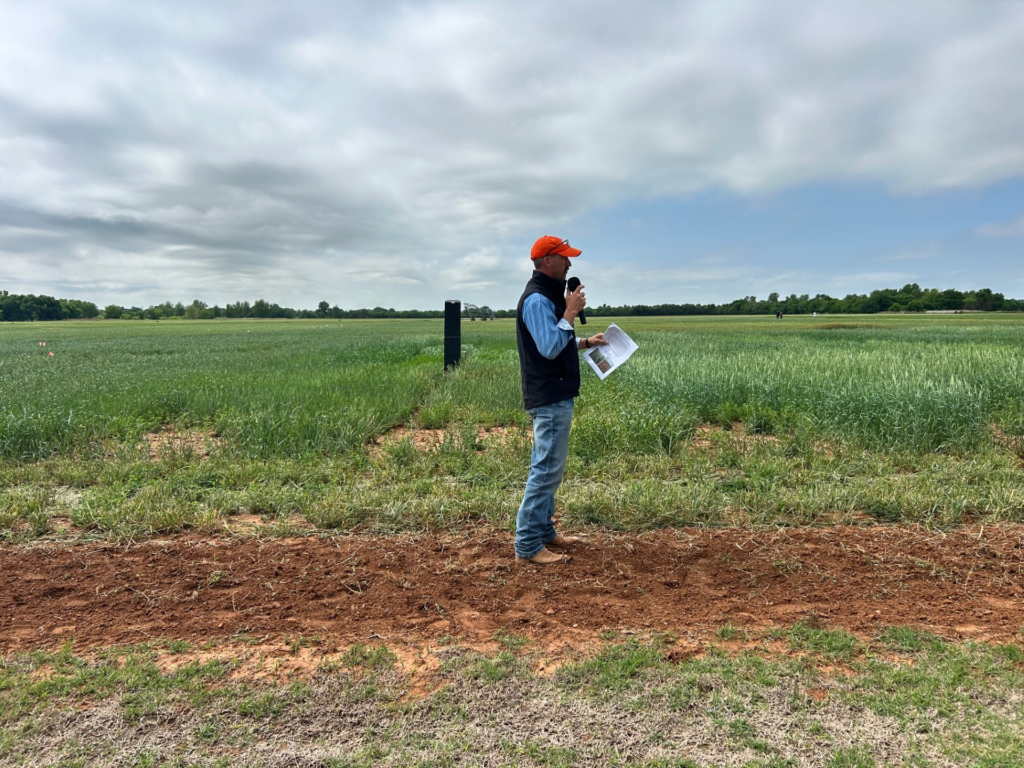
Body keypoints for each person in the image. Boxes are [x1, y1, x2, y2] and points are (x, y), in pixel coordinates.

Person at [514, 235, 609, 564]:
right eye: (564, 258)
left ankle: (544, 532)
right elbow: (550, 346)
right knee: (545, 470)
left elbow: (558, 339)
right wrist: (569, 313)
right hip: (550, 395)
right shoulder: (538, 300)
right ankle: (527, 546)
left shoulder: (549, 296)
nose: (570, 263)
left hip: (556, 392)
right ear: (546, 261)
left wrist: (585, 341)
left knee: (551, 468)